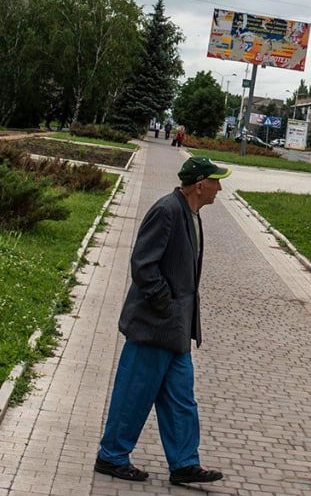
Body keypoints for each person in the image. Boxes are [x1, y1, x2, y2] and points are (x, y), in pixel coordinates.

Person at [94, 156, 232, 486]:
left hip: (176, 328)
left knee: (181, 398)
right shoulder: (167, 211)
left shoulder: (190, 213)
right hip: (154, 325)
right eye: (216, 181)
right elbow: (143, 265)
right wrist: (165, 305)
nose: (220, 188)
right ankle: (111, 456)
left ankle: (184, 462)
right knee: (134, 394)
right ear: (200, 185)